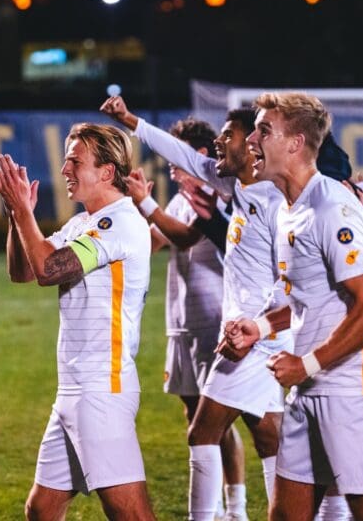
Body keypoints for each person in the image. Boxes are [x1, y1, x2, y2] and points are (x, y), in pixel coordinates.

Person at [100, 96, 285, 521]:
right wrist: (131, 120)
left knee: (213, 431)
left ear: (255, 145)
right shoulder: (236, 190)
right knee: (268, 437)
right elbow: (181, 154)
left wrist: (260, 325)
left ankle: (225, 513)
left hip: (253, 335)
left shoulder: (280, 202)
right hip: (240, 332)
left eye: (230, 134)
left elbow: (296, 285)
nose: (221, 141)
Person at [224, 91, 363, 521]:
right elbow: (303, 299)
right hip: (309, 386)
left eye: (263, 131)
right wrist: (260, 329)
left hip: (352, 391)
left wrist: (309, 364)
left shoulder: (332, 207)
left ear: (296, 143)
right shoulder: (288, 210)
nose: (251, 141)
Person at [0, 123, 156, 521]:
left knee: (133, 516)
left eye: (74, 160)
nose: (64, 169)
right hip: (74, 389)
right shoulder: (84, 223)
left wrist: (24, 212)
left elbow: (47, 269)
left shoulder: (119, 223)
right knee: (42, 510)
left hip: (101, 389)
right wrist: (18, 214)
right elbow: (24, 272)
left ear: (106, 172)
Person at [122, 119, 247, 520]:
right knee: (194, 415)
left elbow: (188, 237)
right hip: (182, 321)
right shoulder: (179, 198)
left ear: (201, 157)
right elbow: (156, 240)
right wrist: (135, 212)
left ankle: (235, 509)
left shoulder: (215, 194)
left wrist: (146, 203)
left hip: (214, 320)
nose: (172, 165)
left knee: (218, 421)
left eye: (178, 156)